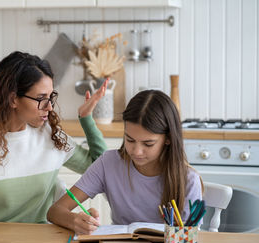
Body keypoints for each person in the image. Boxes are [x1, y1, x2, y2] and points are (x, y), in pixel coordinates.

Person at [0, 51, 108, 225]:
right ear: (13, 99)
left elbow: (102, 168)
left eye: (51, 97)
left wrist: (86, 118)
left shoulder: (51, 136)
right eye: (41, 99)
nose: (49, 107)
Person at [47, 90, 203, 235]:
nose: (136, 151)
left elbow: (190, 237)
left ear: (168, 138)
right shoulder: (107, 164)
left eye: (148, 144)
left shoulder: (188, 180)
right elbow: (55, 211)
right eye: (129, 139)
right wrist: (76, 221)